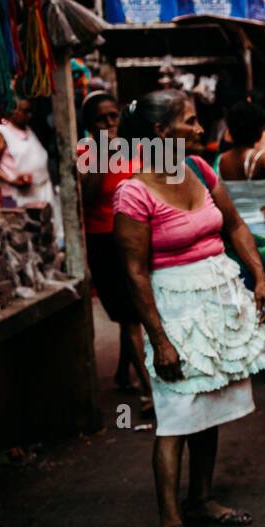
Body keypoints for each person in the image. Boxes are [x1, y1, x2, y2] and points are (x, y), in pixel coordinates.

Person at [113, 90, 265, 527]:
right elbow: (135, 273)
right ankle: (170, 524)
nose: (201, 130)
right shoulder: (134, 191)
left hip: (217, 299)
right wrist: (159, 339)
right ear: (161, 132)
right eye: (191, 121)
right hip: (174, 308)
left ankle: (200, 499)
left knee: (210, 406)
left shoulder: (200, 171)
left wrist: (258, 277)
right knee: (176, 414)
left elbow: (236, 226)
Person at [77, 91, 151, 407]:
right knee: (130, 313)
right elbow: (87, 196)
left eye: (113, 116)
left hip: (135, 236)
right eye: (101, 118)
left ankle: (123, 372)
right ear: (90, 125)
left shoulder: (135, 148)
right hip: (104, 240)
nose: (109, 123)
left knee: (131, 310)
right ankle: (150, 390)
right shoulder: (85, 151)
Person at [215, 100, 265, 365]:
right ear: (260, 129)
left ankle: (246, 360)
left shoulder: (222, 161)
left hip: (239, 241)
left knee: (243, 298)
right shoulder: (262, 156)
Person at [0, 97, 63, 239]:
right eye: (24, 111)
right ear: (13, 110)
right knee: (23, 238)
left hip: (41, 193)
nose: (29, 116)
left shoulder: (28, 130)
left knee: (46, 236)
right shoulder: (0, 131)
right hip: (17, 198)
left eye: (29, 112)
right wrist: (11, 179)